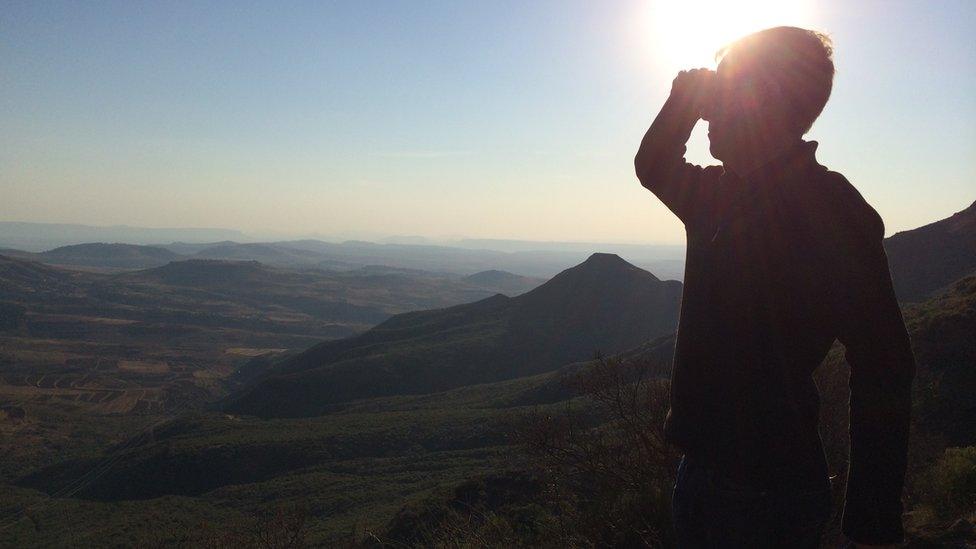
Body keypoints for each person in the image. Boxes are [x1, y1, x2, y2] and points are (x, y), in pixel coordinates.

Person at [634, 27, 915, 548]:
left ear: (758, 101)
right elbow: (653, 167)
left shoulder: (834, 213)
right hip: (702, 475)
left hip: (768, 496)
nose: (711, 111)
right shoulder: (720, 195)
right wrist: (682, 102)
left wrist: (873, 525)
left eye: (724, 93)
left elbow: (885, 364)